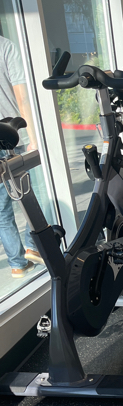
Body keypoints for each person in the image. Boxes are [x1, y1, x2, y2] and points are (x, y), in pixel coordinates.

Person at [0, 33, 44, 279]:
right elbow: (22, 96)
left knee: (1, 207)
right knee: (31, 192)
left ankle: (17, 264)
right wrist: (34, 136)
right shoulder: (5, 47)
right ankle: (33, 246)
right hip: (11, 134)